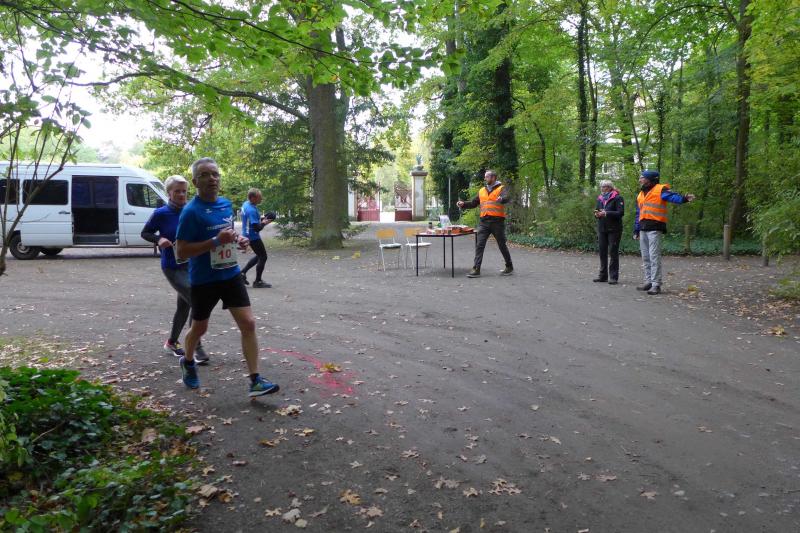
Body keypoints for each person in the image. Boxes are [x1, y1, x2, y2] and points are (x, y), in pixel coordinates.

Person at [175, 157, 280, 397]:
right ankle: (188, 361)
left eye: (215, 174)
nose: (212, 179)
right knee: (199, 328)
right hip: (204, 279)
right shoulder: (190, 212)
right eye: (205, 175)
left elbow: (227, 233)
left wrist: (237, 239)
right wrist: (215, 241)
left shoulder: (225, 205)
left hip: (230, 273)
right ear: (195, 182)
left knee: (248, 323)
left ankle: (255, 380)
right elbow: (181, 251)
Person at [141, 175, 209, 364]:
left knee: (184, 306)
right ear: (169, 193)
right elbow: (145, 232)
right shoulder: (161, 213)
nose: (181, 194)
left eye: (184, 191)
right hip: (173, 267)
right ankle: (195, 346)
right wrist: (159, 239)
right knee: (197, 301)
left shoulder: (191, 211)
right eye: (177, 191)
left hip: (191, 265)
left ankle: (171, 342)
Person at [633, 169, 695, 295]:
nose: (640, 180)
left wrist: (684, 199)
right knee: (645, 257)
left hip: (655, 227)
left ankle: (656, 284)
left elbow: (673, 197)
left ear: (649, 179)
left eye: (642, 177)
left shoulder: (660, 190)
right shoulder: (641, 193)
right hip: (643, 228)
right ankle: (648, 281)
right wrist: (636, 229)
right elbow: (639, 213)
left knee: (654, 256)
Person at [456, 170, 513, 278]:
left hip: (497, 222)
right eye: (485, 177)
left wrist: (502, 199)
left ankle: (509, 266)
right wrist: (463, 204)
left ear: (493, 178)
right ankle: (476, 269)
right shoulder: (482, 190)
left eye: (487, 177)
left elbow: (507, 197)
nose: (485, 178)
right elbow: (474, 203)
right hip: (484, 222)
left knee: (502, 245)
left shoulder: (501, 188)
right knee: (480, 245)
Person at [239, 188, 274, 288]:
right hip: (252, 236)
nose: (261, 199)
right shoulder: (251, 210)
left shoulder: (246, 204)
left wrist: (262, 218)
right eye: (259, 197)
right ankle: (257, 281)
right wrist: (265, 222)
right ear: (252, 198)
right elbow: (257, 228)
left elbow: (251, 220)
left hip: (247, 234)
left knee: (259, 255)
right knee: (263, 256)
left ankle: (242, 273)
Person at [593, 179, 624, 285]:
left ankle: (613, 277)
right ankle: (603, 276)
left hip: (614, 229)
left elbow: (620, 213)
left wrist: (606, 213)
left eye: (604, 186)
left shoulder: (618, 198)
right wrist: (597, 214)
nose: (602, 188)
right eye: (601, 186)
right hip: (602, 229)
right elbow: (597, 210)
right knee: (602, 252)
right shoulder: (600, 198)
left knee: (613, 252)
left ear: (610, 188)